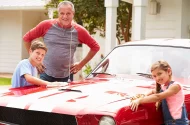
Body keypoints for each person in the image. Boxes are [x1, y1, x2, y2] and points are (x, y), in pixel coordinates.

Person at [23, 1, 100, 82]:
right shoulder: (46, 25)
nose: (65, 16)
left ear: (73, 13)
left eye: (68, 13)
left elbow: (95, 47)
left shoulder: (79, 31)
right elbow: (26, 38)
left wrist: (81, 64)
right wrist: (35, 60)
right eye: (62, 13)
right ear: (58, 14)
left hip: (67, 76)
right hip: (45, 73)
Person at [130, 60, 189, 125]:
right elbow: (153, 91)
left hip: (178, 122)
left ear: (168, 71)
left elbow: (158, 96)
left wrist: (140, 100)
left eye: (159, 74)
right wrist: (144, 95)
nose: (157, 78)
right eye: (154, 76)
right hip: (170, 122)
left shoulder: (175, 86)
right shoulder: (164, 87)